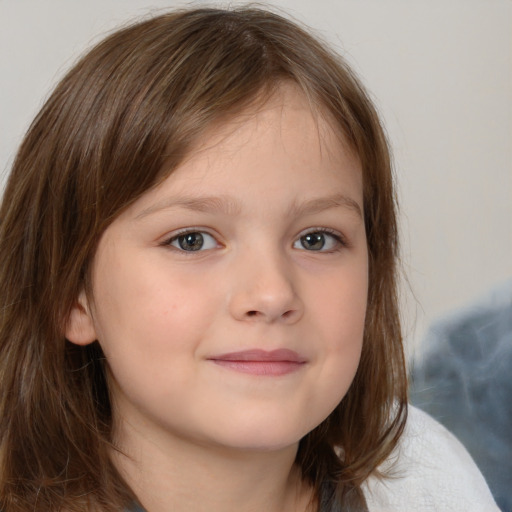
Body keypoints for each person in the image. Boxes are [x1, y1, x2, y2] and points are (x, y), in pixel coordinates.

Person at [0, 7, 499, 512]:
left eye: (316, 240)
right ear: (71, 297)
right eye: (191, 240)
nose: (272, 294)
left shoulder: (430, 480)